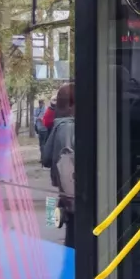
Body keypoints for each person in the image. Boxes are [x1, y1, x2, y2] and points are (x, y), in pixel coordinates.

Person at [42, 83, 77, 247]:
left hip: (66, 195)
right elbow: (67, 163)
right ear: (71, 105)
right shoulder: (69, 127)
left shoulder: (58, 125)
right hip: (73, 196)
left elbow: (47, 158)